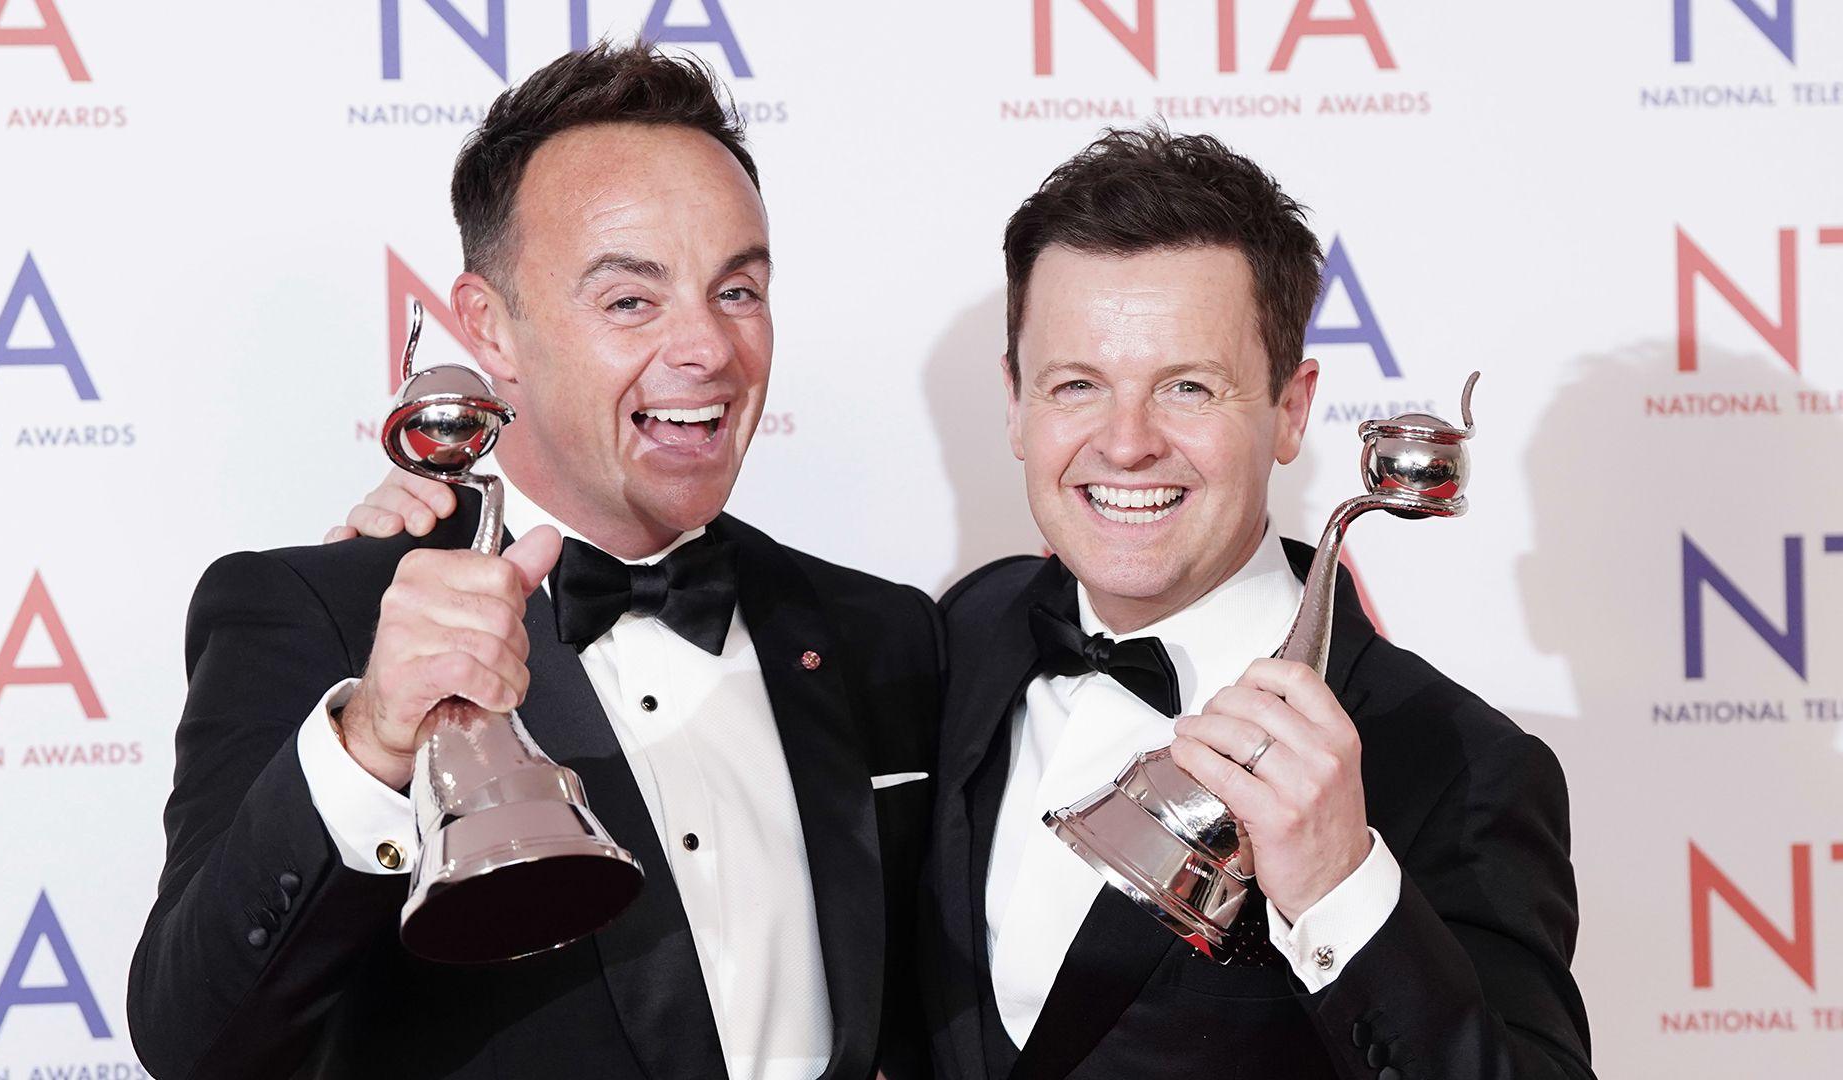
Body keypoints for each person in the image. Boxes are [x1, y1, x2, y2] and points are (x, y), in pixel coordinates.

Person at [342, 127, 1593, 1079]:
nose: (1127, 443)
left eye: (1192, 389)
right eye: (1075, 385)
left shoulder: (1459, 765)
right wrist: (446, 514)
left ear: (1294, 409)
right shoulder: (954, 643)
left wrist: (1338, 892)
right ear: (1013, 402)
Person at [128, 44, 938, 1080]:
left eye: (737, 290)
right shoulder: (321, 615)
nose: (708, 349)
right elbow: (199, 1043)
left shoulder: (880, 633)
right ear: (490, 331)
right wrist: (373, 738)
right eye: (631, 301)